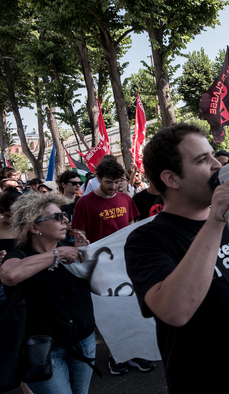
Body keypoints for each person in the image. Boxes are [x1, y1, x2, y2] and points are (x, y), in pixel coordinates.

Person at [125, 123, 229, 392]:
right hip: (207, 381)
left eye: (213, 155)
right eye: (203, 159)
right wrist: (216, 220)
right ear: (172, 179)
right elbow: (175, 311)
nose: (217, 164)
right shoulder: (147, 240)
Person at [0, 193, 95, 394]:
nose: (65, 220)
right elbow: (9, 275)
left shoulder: (69, 249)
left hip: (83, 341)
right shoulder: (20, 254)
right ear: (35, 228)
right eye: (57, 217)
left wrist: (85, 258)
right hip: (44, 351)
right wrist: (57, 254)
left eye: (64, 215)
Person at [71, 159, 154, 375]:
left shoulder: (126, 199)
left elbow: (133, 227)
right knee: (109, 312)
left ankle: (138, 353)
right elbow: (79, 237)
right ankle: (115, 356)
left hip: (127, 264)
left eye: (118, 182)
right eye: (108, 182)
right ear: (97, 178)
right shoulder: (84, 203)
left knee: (133, 309)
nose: (113, 187)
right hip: (101, 268)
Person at [57, 171, 83, 245]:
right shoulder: (55, 203)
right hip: (61, 243)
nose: (78, 186)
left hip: (81, 241)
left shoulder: (82, 201)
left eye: (80, 183)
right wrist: (65, 227)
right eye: (74, 183)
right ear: (63, 184)